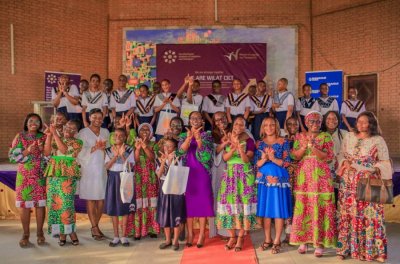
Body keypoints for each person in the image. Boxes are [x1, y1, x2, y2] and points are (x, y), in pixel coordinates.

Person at [336, 111, 392, 262]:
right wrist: (344, 162)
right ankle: (344, 248)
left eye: (364, 122)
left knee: (369, 216)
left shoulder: (377, 140)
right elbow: (340, 154)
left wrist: (372, 168)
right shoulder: (348, 136)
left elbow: (386, 162)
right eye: (358, 121)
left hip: (368, 182)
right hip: (348, 184)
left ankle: (373, 251)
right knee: (347, 215)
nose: (360, 124)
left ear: (371, 124)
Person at [289, 111, 336, 257]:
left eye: (317, 121)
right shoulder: (299, 136)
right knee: (304, 207)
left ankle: (319, 243)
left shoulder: (326, 137)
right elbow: (294, 155)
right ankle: (303, 240)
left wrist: (312, 146)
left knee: (321, 207)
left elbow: (327, 157)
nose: (314, 124)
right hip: (304, 178)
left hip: (321, 179)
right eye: (311, 121)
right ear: (306, 122)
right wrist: (304, 147)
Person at [216, 115, 257, 252]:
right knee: (228, 205)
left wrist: (240, 148)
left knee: (243, 206)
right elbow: (225, 158)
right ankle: (232, 236)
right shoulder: (227, 139)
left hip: (244, 177)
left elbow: (247, 159)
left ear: (245, 126)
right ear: (233, 125)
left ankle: (240, 237)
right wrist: (232, 147)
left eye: (241, 124)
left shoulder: (249, 140)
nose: (238, 127)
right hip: (229, 176)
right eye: (236, 124)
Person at [9, 113, 47, 247]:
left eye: (37, 121)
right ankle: (25, 234)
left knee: (40, 204)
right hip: (24, 176)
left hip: (39, 175)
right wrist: (26, 151)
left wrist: (43, 151)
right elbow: (12, 157)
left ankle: (40, 233)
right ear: (26, 123)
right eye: (31, 120)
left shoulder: (44, 137)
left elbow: (49, 156)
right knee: (25, 206)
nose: (34, 123)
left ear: (40, 124)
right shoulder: (19, 136)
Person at [255, 117, 292, 254]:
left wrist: (272, 159)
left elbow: (287, 162)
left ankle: (277, 240)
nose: (269, 127)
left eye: (272, 125)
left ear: (276, 126)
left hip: (279, 180)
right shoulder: (259, 144)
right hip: (264, 181)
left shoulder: (284, 142)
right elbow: (256, 164)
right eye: (266, 125)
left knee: (278, 211)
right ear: (262, 127)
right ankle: (267, 239)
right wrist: (264, 159)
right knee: (265, 212)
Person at [178, 111, 214, 248]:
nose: (195, 120)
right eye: (192, 118)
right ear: (189, 120)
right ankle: (190, 233)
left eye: (198, 118)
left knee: (203, 203)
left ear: (202, 121)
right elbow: (180, 152)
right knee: (190, 204)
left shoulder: (208, 135)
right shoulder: (183, 135)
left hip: (202, 173)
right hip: (188, 173)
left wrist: (198, 139)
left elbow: (206, 156)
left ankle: (202, 235)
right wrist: (188, 139)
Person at [43, 120, 82, 246]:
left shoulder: (77, 142)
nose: (69, 129)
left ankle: (70, 232)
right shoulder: (55, 138)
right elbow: (47, 153)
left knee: (66, 205)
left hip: (67, 175)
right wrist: (49, 135)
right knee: (55, 204)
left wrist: (54, 134)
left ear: (76, 131)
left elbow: (64, 151)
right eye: (67, 126)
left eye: (73, 128)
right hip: (53, 175)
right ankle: (62, 233)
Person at [77, 108, 109, 240]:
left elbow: (112, 149)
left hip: (102, 168)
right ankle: (94, 227)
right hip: (89, 168)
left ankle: (96, 225)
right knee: (91, 198)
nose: (97, 120)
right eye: (94, 117)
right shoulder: (83, 132)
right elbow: (78, 150)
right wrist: (94, 147)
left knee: (101, 198)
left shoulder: (106, 131)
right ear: (89, 117)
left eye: (100, 118)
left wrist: (104, 148)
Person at [127, 123, 160, 239]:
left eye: (147, 130)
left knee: (151, 202)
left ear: (151, 133)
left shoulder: (154, 144)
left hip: (150, 177)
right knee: (139, 202)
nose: (145, 131)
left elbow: (152, 158)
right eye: (142, 130)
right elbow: (134, 160)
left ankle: (152, 229)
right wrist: (137, 148)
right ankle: (138, 230)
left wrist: (145, 147)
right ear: (138, 132)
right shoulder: (133, 144)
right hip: (138, 177)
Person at [104, 128, 136, 247]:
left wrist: (122, 155)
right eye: (115, 135)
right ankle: (116, 236)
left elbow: (130, 165)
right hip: (113, 178)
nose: (118, 137)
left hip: (125, 178)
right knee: (113, 207)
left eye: (121, 135)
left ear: (125, 137)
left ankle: (124, 236)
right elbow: (107, 166)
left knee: (124, 206)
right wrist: (115, 156)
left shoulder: (129, 149)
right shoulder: (108, 150)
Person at [156, 138, 186, 251]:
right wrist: (164, 161)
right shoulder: (159, 159)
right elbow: (159, 175)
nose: (167, 148)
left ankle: (176, 241)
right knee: (165, 216)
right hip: (164, 189)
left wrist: (172, 161)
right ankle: (168, 240)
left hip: (176, 189)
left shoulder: (179, 159)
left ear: (174, 148)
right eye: (165, 146)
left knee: (176, 215)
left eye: (170, 146)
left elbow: (179, 174)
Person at [209, 112, 231, 238]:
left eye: (222, 118)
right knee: (218, 197)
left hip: (233, 167)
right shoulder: (211, 135)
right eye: (216, 120)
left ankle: (231, 228)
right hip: (219, 168)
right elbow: (214, 151)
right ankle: (219, 229)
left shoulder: (235, 130)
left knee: (230, 198)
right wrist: (224, 143)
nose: (220, 121)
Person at [322, 111, 347, 204]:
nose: (331, 121)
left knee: (339, 196)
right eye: (328, 118)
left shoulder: (345, 134)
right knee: (327, 197)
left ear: (338, 120)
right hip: (325, 170)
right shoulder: (320, 135)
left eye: (334, 118)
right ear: (324, 120)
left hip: (340, 170)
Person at [283, 116, 300, 244]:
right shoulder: (283, 140)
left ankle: (300, 233)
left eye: (295, 123)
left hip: (301, 174)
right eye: (289, 123)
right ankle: (288, 233)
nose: (292, 126)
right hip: (287, 174)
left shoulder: (303, 138)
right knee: (287, 201)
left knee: (299, 203)